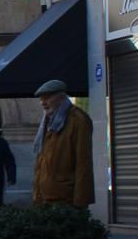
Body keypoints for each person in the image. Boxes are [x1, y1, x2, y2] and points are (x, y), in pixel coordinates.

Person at [31, 79, 95, 208]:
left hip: (65, 199)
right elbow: (41, 161)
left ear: (61, 98)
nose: (43, 102)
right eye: (41, 99)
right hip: (45, 197)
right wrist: (37, 195)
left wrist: (80, 201)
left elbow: (83, 163)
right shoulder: (47, 122)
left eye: (47, 97)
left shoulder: (77, 120)